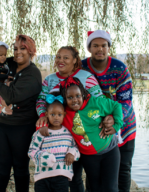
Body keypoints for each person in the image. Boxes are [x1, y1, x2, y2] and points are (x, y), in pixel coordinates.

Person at [36, 46, 114, 192]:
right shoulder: (49, 80)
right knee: (73, 177)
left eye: (66, 57)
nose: (61, 60)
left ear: (75, 60)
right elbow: (41, 101)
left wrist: (107, 117)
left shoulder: (86, 77)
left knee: (94, 179)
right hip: (64, 137)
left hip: (86, 136)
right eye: (58, 56)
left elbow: (101, 101)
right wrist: (42, 116)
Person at [82, 30, 136, 192]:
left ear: (109, 47)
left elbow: (125, 100)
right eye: (95, 45)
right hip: (95, 130)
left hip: (123, 126)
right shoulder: (82, 68)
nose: (100, 49)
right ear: (89, 48)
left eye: (104, 45)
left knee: (123, 170)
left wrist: (114, 119)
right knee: (93, 173)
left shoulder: (120, 68)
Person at [0, 35, 42, 192]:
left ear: (31, 51)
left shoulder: (33, 74)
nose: (18, 52)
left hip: (22, 128)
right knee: (1, 167)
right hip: (0, 126)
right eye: (15, 48)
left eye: (23, 48)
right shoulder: (8, 63)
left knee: (20, 168)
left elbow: (11, 96)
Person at [59, 76, 123, 192]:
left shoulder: (95, 102)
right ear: (64, 98)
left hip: (110, 151)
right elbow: (50, 114)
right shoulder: (63, 113)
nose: (75, 100)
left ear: (83, 93)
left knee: (111, 188)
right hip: (88, 157)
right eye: (70, 97)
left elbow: (116, 106)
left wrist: (116, 125)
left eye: (78, 96)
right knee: (95, 188)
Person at [28, 93, 80, 192]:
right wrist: (44, 157)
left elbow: (76, 148)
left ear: (64, 115)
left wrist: (72, 153)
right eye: (53, 114)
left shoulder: (68, 133)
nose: (56, 117)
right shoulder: (41, 133)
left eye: (59, 114)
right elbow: (31, 151)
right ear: (46, 114)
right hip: (42, 177)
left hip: (62, 176)